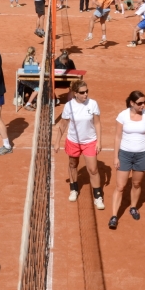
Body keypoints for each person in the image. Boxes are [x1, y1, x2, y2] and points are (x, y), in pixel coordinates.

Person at [53, 80, 104, 209]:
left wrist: (99, 140)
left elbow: (97, 123)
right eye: (82, 92)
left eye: (87, 91)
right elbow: (63, 124)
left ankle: (98, 196)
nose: (85, 94)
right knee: (72, 164)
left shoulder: (93, 104)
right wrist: (57, 141)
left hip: (89, 141)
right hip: (73, 141)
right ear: (75, 93)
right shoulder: (69, 106)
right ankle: (73, 189)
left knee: (93, 169)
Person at [108, 91, 145, 229]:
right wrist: (116, 156)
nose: (143, 105)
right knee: (120, 186)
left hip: (141, 155)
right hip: (125, 154)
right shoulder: (122, 116)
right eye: (140, 103)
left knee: (136, 184)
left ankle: (133, 207)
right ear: (132, 103)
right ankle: (114, 215)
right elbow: (117, 137)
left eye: (144, 102)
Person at [20, 46, 40, 111]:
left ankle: (34, 101)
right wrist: (37, 65)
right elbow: (32, 70)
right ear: (33, 52)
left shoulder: (27, 58)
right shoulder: (30, 59)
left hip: (26, 78)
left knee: (39, 84)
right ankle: (28, 104)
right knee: (38, 88)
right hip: (26, 79)